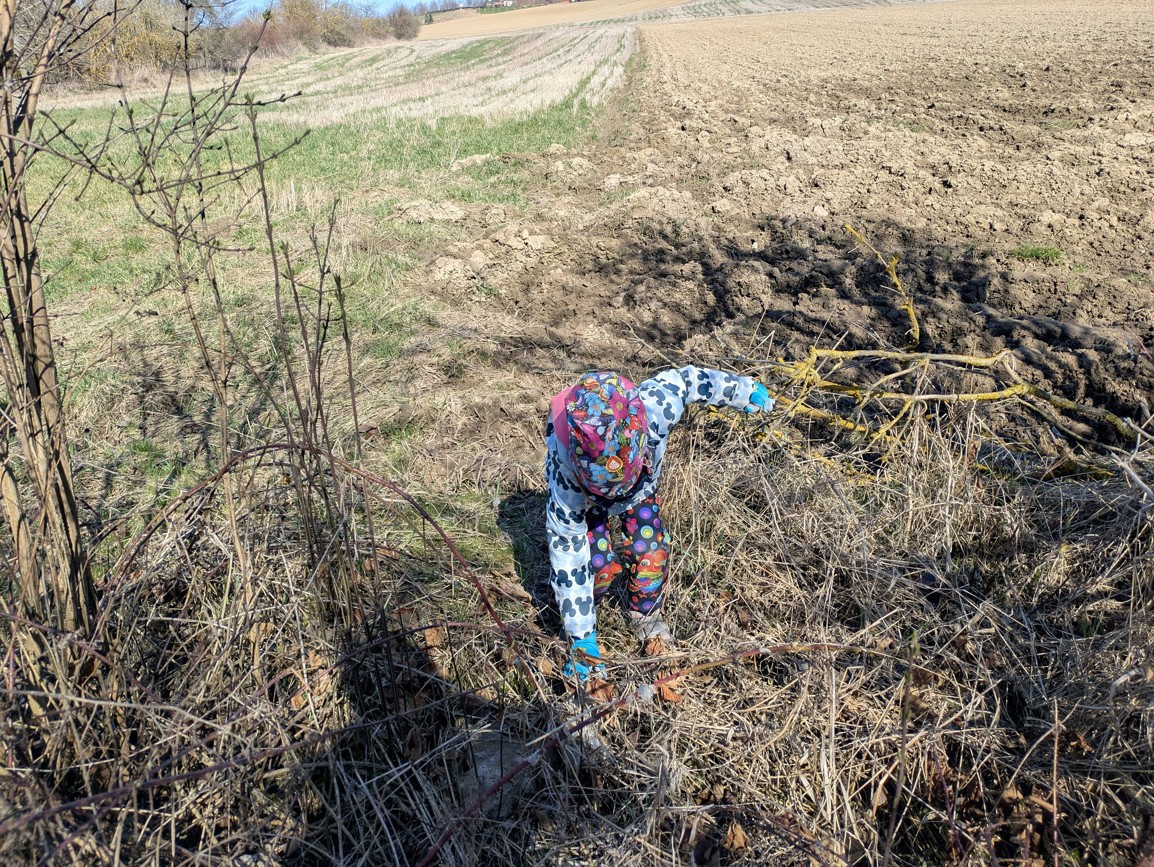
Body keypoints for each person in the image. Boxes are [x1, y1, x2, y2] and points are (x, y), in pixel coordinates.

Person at [545, 367, 773, 682]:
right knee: (597, 564)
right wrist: (579, 637)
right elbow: (568, 552)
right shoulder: (565, 475)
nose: (615, 497)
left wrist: (741, 390)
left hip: (641, 488)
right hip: (587, 501)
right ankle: (583, 627)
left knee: (651, 550)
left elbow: (689, 382)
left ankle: (646, 617)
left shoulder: (655, 409)